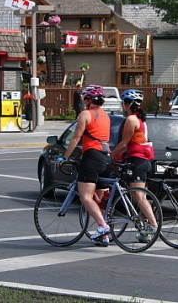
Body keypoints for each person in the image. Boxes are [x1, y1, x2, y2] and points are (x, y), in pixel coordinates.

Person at [57, 84, 112, 247]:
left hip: (92, 156)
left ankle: (103, 227)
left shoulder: (85, 114)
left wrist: (65, 157)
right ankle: (104, 236)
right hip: (106, 157)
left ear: (88, 100)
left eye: (84, 98)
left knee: (85, 196)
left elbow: (75, 138)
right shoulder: (106, 116)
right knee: (101, 200)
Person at [111, 89, 157, 243]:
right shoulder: (140, 119)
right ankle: (145, 233)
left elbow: (124, 143)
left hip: (138, 161)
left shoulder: (131, 119)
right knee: (140, 196)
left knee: (138, 196)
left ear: (128, 104)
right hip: (143, 160)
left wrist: (110, 154)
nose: (122, 106)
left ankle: (153, 225)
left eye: (123, 103)